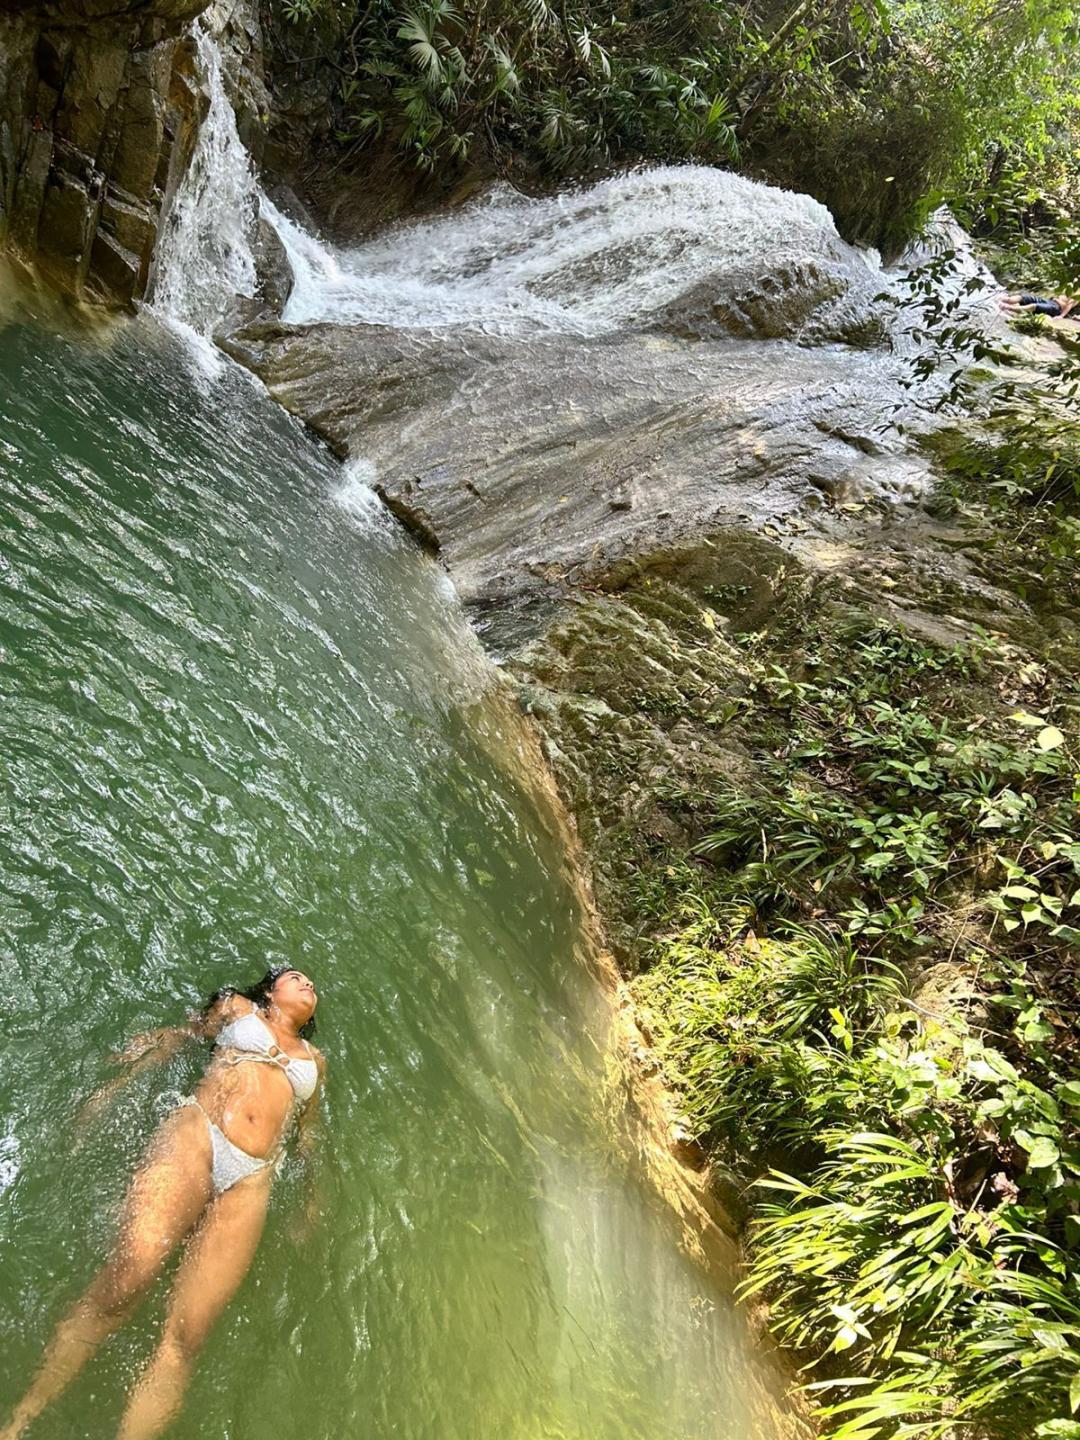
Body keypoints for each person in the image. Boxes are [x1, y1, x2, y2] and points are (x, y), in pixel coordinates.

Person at [0, 966, 325, 1440]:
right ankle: (19, 1421)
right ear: (271, 990)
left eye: (311, 984)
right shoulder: (238, 1008)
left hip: (252, 1180)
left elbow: (305, 1136)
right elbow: (181, 1036)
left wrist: (312, 1196)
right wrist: (116, 1081)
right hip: (199, 1134)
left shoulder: (314, 1062)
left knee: (186, 1339)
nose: (308, 985)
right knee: (125, 1281)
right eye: (296, 977)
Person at [1000, 292, 1079, 319]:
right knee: (1024, 297)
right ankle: (1001, 299)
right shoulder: (1072, 283)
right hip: (1050, 301)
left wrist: (1061, 316)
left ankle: (1008, 307)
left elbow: (1070, 303)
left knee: (1034, 306)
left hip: (1056, 308)